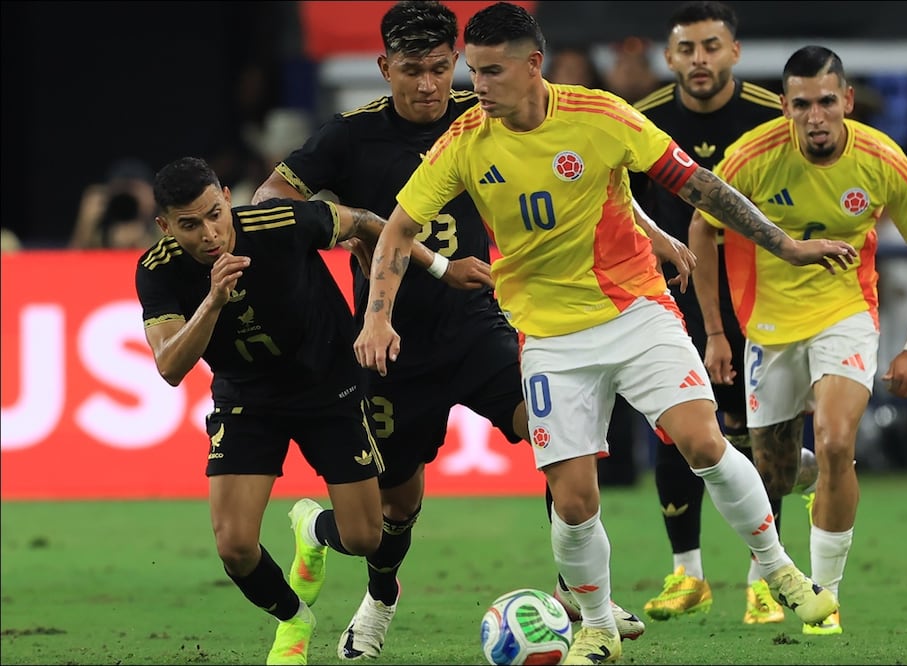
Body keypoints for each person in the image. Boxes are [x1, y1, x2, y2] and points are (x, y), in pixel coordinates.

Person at [355, 4, 854, 663]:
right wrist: (377, 314)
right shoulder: (465, 141)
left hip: (635, 312)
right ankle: (593, 623)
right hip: (550, 339)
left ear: (533, 66)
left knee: (701, 440)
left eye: (491, 71)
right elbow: (397, 228)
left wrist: (783, 244)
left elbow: (696, 183)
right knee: (572, 498)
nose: (475, 86)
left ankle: (777, 567)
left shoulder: (600, 114)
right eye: (472, 71)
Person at [250, 2, 666, 658]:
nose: (426, 85)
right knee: (395, 510)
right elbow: (266, 204)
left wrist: (655, 236)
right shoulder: (349, 137)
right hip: (390, 346)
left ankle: (577, 590)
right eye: (410, 70)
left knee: (550, 429)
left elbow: (595, 173)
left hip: (478, 326)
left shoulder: (489, 114)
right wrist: (353, 222)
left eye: (440, 69)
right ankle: (380, 595)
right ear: (384, 68)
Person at [135, 156, 487, 665]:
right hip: (247, 399)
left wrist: (437, 265)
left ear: (227, 198)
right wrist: (212, 301)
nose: (211, 233)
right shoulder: (158, 271)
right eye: (190, 225)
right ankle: (294, 617)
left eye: (216, 213)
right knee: (234, 546)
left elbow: (363, 219)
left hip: (330, 387)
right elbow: (170, 366)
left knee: (365, 537)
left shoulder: (280, 223)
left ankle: (312, 529)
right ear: (165, 227)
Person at [689, 45, 907, 636]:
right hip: (769, 327)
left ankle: (825, 598)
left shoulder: (881, 158)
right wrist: (713, 332)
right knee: (774, 476)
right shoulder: (752, 156)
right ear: (784, 106)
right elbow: (701, 226)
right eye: (802, 104)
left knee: (837, 441)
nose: (815, 116)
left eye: (827, 101)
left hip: (845, 314)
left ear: (847, 102)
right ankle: (814, 480)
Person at [628, 0, 818, 625]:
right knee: (675, 428)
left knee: (768, 434)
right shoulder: (642, 122)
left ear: (734, 52)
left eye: (711, 47)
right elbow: (617, 206)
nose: (699, 60)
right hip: (672, 304)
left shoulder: (775, 116)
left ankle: (766, 577)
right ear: (669, 57)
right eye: (687, 49)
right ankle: (688, 574)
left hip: (762, 298)